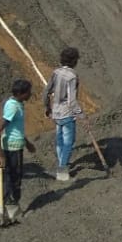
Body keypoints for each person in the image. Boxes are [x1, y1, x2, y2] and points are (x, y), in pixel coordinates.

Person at [0, 79, 36, 224]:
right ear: (20, 93)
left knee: (9, 178)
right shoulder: (13, 107)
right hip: (12, 148)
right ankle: (13, 210)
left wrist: (27, 142)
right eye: (28, 92)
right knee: (15, 179)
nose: (30, 94)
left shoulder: (16, 104)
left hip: (15, 143)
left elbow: (16, 128)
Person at [43, 47, 82, 182]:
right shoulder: (72, 76)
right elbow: (72, 100)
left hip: (56, 111)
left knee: (59, 139)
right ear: (74, 61)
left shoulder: (56, 72)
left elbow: (46, 91)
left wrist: (47, 107)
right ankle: (62, 169)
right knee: (69, 142)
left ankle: (61, 163)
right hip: (67, 113)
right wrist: (81, 114)